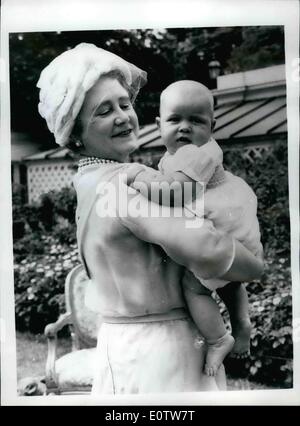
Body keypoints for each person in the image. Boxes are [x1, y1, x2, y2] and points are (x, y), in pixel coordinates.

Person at [37, 43, 263, 394]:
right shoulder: (122, 185)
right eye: (103, 111)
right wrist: (252, 265)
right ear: (76, 135)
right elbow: (201, 245)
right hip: (160, 349)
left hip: (123, 341)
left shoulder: (89, 183)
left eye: (125, 104)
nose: (123, 116)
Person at [127, 80, 264, 376]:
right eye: (175, 119)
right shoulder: (179, 156)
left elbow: (175, 192)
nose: (185, 127)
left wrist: (140, 181)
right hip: (229, 226)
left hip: (220, 220)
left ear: (212, 126)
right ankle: (241, 322)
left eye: (196, 121)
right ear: (159, 124)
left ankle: (218, 339)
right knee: (228, 281)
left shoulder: (198, 154)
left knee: (195, 288)